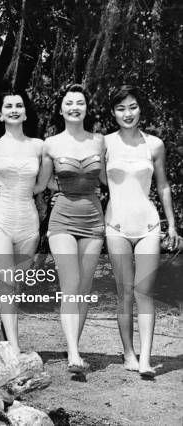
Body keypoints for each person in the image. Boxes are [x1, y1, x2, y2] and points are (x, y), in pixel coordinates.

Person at [104, 85, 180, 377]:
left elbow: (162, 185)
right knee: (124, 293)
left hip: (148, 226)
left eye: (133, 107)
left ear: (140, 109)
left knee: (144, 292)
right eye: (121, 108)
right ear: (113, 112)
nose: (128, 113)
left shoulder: (155, 145)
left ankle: (146, 358)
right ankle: (128, 353)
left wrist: (171, 223)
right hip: (116, 226)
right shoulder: (105, 143)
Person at [35, 83, 106, 373]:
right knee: (71, 285)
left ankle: (72, 347)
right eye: (69, 102)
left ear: (86, 108)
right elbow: (41, 183)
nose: (75, 106)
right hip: (62, 218)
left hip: (93, 219)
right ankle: (75, 355)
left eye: (80, 102)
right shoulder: (50, 144)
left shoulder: (100, 141)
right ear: (61, 108)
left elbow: (107, 180)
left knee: (84, 288)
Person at [0, 89, 43, 354]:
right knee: (6, 283)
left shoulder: (39, 146)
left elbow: (43, 183)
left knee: (16, 287)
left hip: (28, 219)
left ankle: (4, 338)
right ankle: (14, 350)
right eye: (9, 106)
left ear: (25, 112)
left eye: (19, 105)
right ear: (1, 114)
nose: (14, 110)